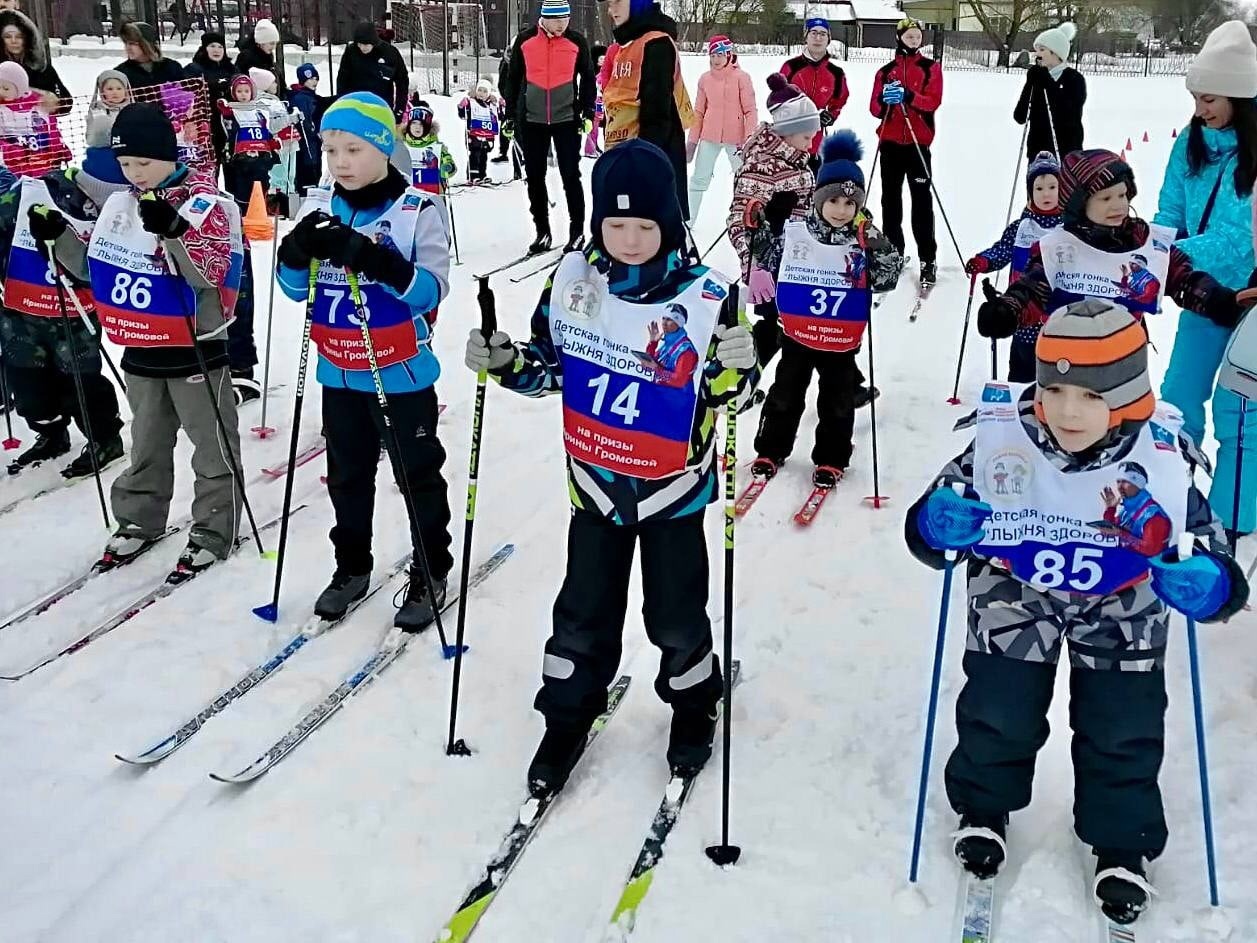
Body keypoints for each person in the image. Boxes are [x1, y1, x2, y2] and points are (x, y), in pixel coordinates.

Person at [905, 298, 1248, 926]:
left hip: (1123, 601)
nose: (1067, 411)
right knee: (997, 707)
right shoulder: (1006, 436)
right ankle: (984, 805)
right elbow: (941, 508)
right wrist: (934, 526)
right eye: (1055, 388)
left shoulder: (1161, 453)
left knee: (1123, 723)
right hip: (1016, 589)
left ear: (1128, 395)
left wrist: (1215, 583)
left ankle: (1122, 840)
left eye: (1091, 396)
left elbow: (1205, 542)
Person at [462, 140, 759, 795]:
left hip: (671, 495)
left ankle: (692, 703)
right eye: (614, 224)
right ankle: (567, 713)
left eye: (643, 225)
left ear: (670, 224)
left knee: (675, 615)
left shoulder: (706, 295)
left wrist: (738, 364)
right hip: (594, 490)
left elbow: (726, 394)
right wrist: (504, 360)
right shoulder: (572, 281)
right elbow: (547, 367)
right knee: (583, 612)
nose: (628, 238)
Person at [36, 102, 246, 579]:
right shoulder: (120, 202)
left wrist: (174, 231)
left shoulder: (205, 201)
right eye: (127, 165)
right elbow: (95, 269)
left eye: (145, 163)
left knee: (210, 443)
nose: (137, 174)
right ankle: (138, 518)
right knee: (147, 442)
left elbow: (210, 273)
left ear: (169, 155)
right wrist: (59, 239)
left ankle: (214, 527)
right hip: (142, 347)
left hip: (195, 346)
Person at [275, 92, 454, 631]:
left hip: (399, 371)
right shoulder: (319, 208)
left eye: (353, 149)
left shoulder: (418, 209)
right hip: (339, 369)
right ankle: (351, 566)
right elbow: (292, 289)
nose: (341, 163)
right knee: (347, 476)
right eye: (331, 151)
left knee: (416, 474)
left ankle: (431, 569)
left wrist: (376, 261)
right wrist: (294, 254)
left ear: (383, 148)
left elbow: (431, 290)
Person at [751, 131, 902, 489]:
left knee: (836, 401)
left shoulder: (863, 237)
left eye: (850, 204)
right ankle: (771, 448)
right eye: (833, 201)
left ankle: (832, 458)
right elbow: (772, 261)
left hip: (840, 338)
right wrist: (759, 231)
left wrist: (876, 244)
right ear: (819, 200)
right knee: (785, 393)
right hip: (798, 334)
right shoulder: (798, 233)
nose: (841, 210)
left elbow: (887, 278)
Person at [977, 149, 1250, 346]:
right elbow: (1032, 290)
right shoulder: (1060, 246)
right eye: (1105, 198)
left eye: (1122, 195)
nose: (1118, 205)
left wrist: (1216, 299)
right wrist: (1007, 311)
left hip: (1125, 358)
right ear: (1078, 204)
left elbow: (1179, 277)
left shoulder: (1140, 238)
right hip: (1066, 356)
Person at [1157, 19, 1257, 536]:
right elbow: (1170, 209)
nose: (1201, 108)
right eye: (1197, 96)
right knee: (1177, 396)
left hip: (1250, 302)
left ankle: (1231, 520)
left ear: (1241, 96)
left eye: (1211, 97)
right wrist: (1161, 253)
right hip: (1202, 296)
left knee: (1239, 411)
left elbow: (1238, 236)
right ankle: (1172, 492)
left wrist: (1172, 253)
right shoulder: (1189, 143)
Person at [0, 139, 126, 478]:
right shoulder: (40, 190)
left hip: (75, 312)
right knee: (28, 384)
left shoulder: (125, 208)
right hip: (21, 309)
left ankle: (104, 437)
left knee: (80, 382)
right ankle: (50, 433)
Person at [728, 73, 818, 367]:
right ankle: (745, 376)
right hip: (768, 266)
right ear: (785, 134)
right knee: (776, 326)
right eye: (806, 136)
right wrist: (755, 267)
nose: (811, 143)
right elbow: (739, 222)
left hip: (797, 261)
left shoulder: (797, 160)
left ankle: (846, 381)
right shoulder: (762, 167)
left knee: (792, 324)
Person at [501, 0, 595, 254]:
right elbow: (512, 80)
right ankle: (542, 231)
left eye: (566, 20)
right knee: (534, 177)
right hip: (532, 120)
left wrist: (588, 111)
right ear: (545, 18)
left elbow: (588, 77)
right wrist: (509, 115)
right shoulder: (525, 41)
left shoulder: (577, 42)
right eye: (557, 20)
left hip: (566, 119)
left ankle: (577, 232)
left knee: (570, 175)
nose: (562, 25)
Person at [965, 151, 1063, 381]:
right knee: (1021, 369)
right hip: (1021, 313)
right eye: (1039, 188)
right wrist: (983, 261)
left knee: (1052, 373)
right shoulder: (1022, 227)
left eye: (1052, 186)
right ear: (1030, 192)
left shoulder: (1068, 227)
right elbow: (1002, 250)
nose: (1046, 194)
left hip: (1057, 316)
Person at [602, 0, 693, 221]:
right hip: (624, 153)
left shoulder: (656, 43)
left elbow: (657, 115)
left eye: (617, 1)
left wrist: (642, 163)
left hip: (648, 159)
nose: (611, 9)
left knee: (649, 231)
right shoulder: (629, 44)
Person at [870, 17, 942, 287]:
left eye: (917, 36)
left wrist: (908, 96)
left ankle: (928, 258)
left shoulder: (930, 67)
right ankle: (893, 252)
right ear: (899, 38)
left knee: (921, 203)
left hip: (918, 142)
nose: (914, 40)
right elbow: (875, 109)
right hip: (890, 142)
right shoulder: (886, 70)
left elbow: (933, 100)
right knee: (890, 201)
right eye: (909, 36)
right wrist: (884, 99)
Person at [686, 35, 755, 220]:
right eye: (713, 55)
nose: (716, 59)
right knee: (698, 179)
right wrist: (692, 142)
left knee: (745, 179)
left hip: (737, 140)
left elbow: (750, 112)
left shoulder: (742, 78)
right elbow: (698, 112)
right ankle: (689, 220)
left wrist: (749, 140)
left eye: (720, 55)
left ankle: (745, 219)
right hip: (709, 137)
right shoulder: (705, 79)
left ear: (728, 54)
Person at [779, 16, 849, 159]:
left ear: (828, 39)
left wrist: (830, 115)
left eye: (823, 34)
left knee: (813, 178)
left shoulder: (836, 73)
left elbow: (839, 99)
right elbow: (778, 99)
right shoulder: (790, 67)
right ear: (806, 37)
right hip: (788, 140)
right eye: (814, 33)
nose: (818, 38)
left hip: (814, 142)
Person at [1014, 21, 1085, 159]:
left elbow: (1068, 114)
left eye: (1042, 50)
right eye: (1036, 50)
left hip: (1066, 152)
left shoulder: (1074, 79)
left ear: (1056, 52)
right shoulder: (1037, 78)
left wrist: (1047, 81)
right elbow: (1020, 116)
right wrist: (1030, 84)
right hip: (1038, 154)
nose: (1036, 55)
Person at [0, 60, 70, 176]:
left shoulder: (38, 105)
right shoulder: (2, 110)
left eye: (6, 89)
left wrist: (58, 149)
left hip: (42, 164)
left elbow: (51, 130)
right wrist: (8, 149)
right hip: (13, 169)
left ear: (20, 88)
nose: (1, 92)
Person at [336, 22, 410, 122]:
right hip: (355, 105)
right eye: (359, 44)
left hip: (381, 106)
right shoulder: (351, 52)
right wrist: (342, 104)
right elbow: (342, 80)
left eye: (366, 44)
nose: (362, 47)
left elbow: (402, 81)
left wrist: (399, 111)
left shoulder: (390, 53)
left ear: (374, 42)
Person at [185, 31, 238, 168]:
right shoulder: (195, 69)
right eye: (212, 46)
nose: (216, 50)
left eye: (220, 47)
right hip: (206, 126)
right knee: (209, 166)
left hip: (230, 125)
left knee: (233, 166)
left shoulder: (232, 69)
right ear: (204, 48)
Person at [0, 8, 69, 113]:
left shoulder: (42, 68)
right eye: (8, 37)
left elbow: (66, 101)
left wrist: (54, 102)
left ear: (28, 39)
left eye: (19, 37)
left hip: (39, 127)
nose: (14, 41)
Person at [287, 63, 329, 194]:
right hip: (306, 144)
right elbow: (306, 123)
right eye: (310, 79)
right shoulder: (301, 98)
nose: (314, 82)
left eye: (316, 79)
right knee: (308, 171)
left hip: (313, 143)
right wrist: (315, 132)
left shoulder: (311, 97)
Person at [402, 103, 455, 194]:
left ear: (427, 127)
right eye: (414, 123)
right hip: (405, 195)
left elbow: (450, 166)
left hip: (432, 193)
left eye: (422, 124)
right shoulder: (401, 146)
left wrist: (447, 167)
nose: (417, 127)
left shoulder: (437, 147)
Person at [116, 22, 184, 89]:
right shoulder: (121, 74)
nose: (128, 47)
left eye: (133, 43)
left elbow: (186, 94)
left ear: (147, 44)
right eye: (126, 43)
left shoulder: (172, 67)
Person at [457, 79, 500, 184]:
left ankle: (482, 174)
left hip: (487, 135)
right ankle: (473, 175)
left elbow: (499, 117)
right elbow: (463, 115)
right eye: (479, 90)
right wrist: (461, 107)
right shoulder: (471, 103)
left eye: (485, 91)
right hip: (474, 134)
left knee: (484, 155)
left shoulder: (491, 105)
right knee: (475, 154)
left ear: (489, 94)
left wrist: (501, 106)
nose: (481, 93)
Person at [234, 18, 280, 88]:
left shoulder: (268, 56)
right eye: (271, 43)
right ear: (261, 42)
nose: (274, 47)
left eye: (276, 44)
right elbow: (239, 81)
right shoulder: (246, 57)